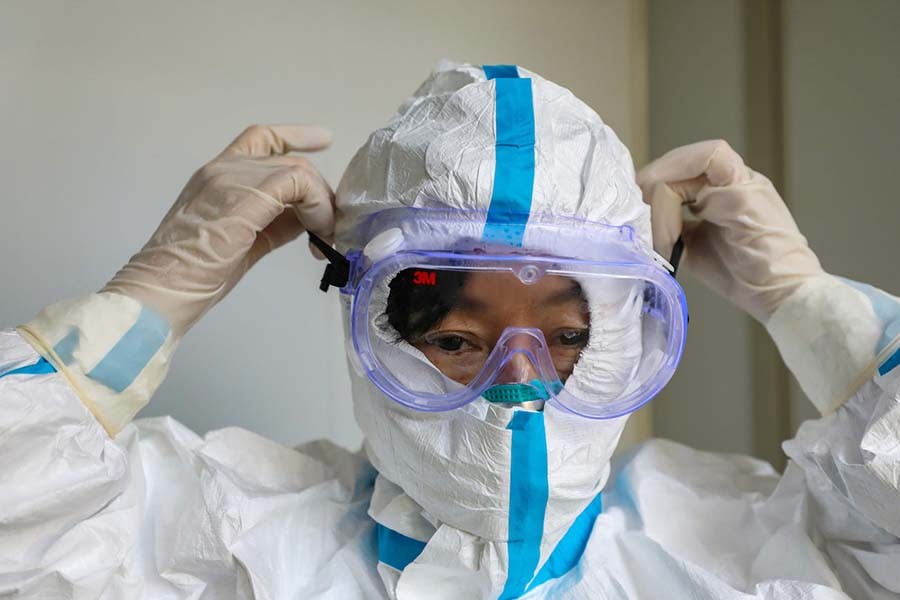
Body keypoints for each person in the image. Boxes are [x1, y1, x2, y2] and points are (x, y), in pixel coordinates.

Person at [1, 63, 898, 599]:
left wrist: (816, 311)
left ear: (628, 335)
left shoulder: (739, 543)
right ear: (373, 326)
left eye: (567, 338)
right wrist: (145, 301)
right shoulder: (227, 535)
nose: (519, 384)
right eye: (460, 341)